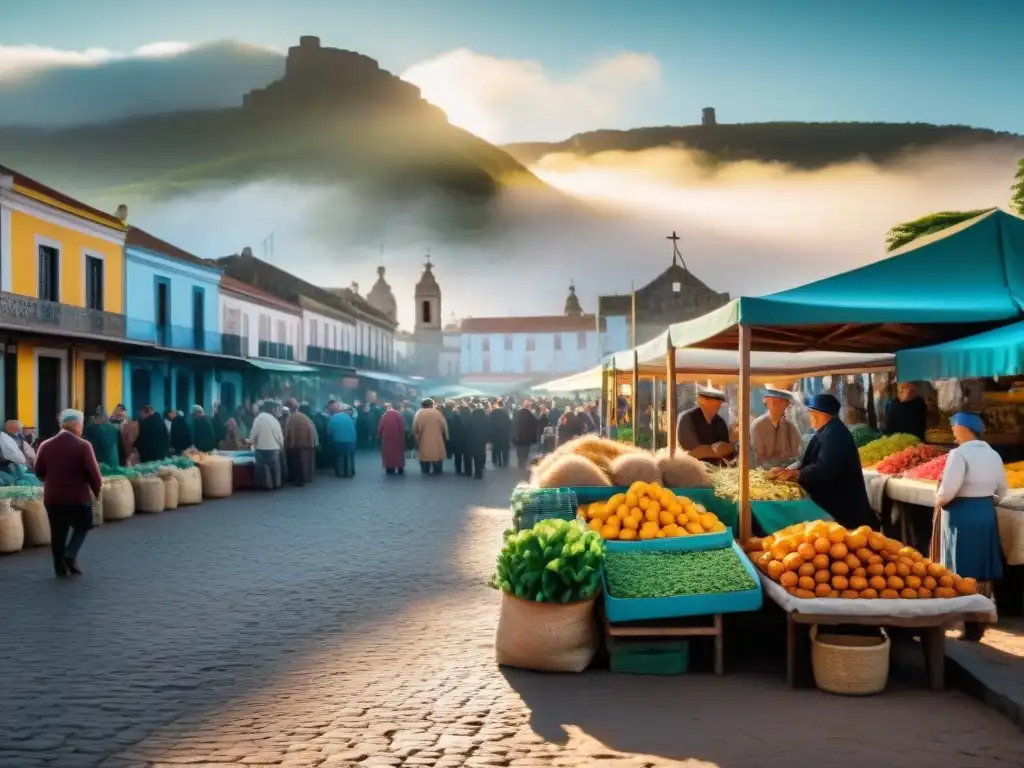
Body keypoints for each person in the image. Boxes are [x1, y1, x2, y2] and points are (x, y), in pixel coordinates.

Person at [933, 411, 1006, 639]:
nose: (953, 434)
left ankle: (965, 623)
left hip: (961, 515)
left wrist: (939, 500)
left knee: (961, 568)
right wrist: (985, 500)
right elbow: (1002, 491)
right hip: (984, 512)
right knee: (981, 569)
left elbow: (948, 490)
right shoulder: (993, 454)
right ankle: (978, 622)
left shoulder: (959, 454)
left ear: (963, 429)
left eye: (954, 429)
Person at [770, 393, 873, 529]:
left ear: (824, 415)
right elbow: (808, 460)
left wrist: (796, 474)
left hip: (842, 508)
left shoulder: (835, 435)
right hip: (834, 504)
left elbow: (825, 468)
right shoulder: (826, 431)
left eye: (813, 414)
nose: (810, 418)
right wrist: (788, 470)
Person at [34, 409, 103, 578]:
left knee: (58, 532)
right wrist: (96, 491)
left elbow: (38, 470)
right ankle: (70, 553)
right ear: (77, 425)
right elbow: (95, 474)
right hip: (77, 496)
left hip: (53, 497)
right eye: (81, 425)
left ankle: (60, 568)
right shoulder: (83, 445)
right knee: (84, 524)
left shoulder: (45, 444)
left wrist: (51, 482)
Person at [677, 386, 734, 464]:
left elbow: (728, 452)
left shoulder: (720, 421)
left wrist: (728, 447)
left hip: (717, 469)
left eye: (718, 401)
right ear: (700, 401)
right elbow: (693, 452)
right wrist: (724, 449)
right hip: (691, 468)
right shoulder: (687, 418)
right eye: (711, 400)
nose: (717, 404)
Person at [750, 388, 802, 469]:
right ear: (767, 402)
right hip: (763, 473)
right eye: (773, 401)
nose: (775, 404)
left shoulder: (790, 427)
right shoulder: (757, 426)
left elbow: (796, 454)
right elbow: (758, 458)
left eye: (782, 401)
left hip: (786, 472)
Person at [250, 401, 284, 490]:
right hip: (274, 448)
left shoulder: (258, 419)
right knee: (275, 468)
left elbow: (254, 434)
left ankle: (265, 485)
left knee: (262, 468)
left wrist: (252, 442)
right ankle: (277, 484)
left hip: (261, 448)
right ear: (272, 410)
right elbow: (279, 435)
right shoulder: (274, 420)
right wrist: (281, 445)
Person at [283, 397, 317, 485]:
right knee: (307, 462)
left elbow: (287, 432)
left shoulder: (291, 418)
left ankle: (300, 480)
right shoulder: (304, 417)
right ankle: (307, 478)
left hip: (298, 444)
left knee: (298, 462)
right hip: (309, 442)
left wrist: (284, 442)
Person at [413, 398, 449, 475]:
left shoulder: (419, 413)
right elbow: (444, 426)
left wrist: (416, 436)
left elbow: (415, 427)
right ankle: (437, 470)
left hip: (424, 439)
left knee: (424, 456)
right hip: (437, 438)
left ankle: (425, 469)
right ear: (431, 404)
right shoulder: (438, 413)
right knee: (437, 455)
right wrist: (446, 436)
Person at [328, 403, 358, 478]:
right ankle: (349, 472)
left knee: (340, 457)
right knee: (349, 457)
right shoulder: (349, 418)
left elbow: (329, 431)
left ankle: (341, 472)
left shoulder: (333, 418)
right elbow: (353, 429)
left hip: (338, 440)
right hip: (350, 440)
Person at [378, 403, 407, 475]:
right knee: (398, 453)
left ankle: (390, 468)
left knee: (388, 453)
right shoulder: (398, 415)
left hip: (387, 438)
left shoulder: (384, 416)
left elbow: (380, 428)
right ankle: (400, 468)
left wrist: (379, 436)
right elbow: (402, 426)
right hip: (398, 438)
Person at [466, 400, 490, 479]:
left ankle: (469, 472)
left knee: (470, 456)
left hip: (471, 441)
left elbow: (467, 429)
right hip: (481, 441)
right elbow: (488, 430)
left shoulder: (470, 420)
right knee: (479, 456)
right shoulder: (485, 421)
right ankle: (478, 473)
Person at [513, 402, 538, 469]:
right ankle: (523, 462)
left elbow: (513, 424)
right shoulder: (530, 414)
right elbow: (535, 424)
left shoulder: (517, 414)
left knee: (519, 450)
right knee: (525, 451)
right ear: (528, 407)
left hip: (518, 436)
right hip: (527, 437)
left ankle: (520, 462)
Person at [488, 398, 511, 468]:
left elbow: (489, 424)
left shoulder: (492, 414)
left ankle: (496, 460)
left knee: (495, 448)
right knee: (504, 448)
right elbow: (509, 423)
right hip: (504, 434)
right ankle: (505, 461)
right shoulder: (505, 413)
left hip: (495, 434)